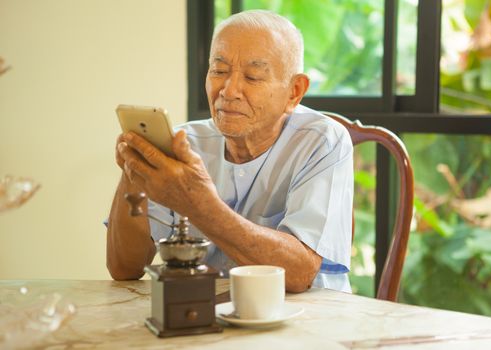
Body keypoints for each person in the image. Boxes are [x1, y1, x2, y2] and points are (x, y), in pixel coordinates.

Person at [106, 10, 353, 293]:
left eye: (253, 76)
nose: (229, 89)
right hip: (206, 318)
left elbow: (299, 274)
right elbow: (124, 269)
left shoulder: (321, 141)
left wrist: (198, 204)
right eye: (219, 71)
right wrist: (133, 176)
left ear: (294, 92)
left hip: (308, 320)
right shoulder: (184, 143)